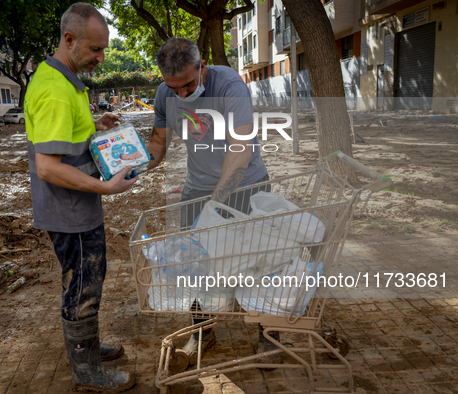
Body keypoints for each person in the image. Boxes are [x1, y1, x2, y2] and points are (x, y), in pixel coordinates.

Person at [145, 38, 280, 367]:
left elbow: (240, 149)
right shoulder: (166, 94)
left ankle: (270, 335)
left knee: (258, 263)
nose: (180, 93)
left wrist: (216, 205)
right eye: (172, 86)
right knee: (195, 264)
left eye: (188, 83)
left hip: (246, 186)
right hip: (198, 190)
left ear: (202, 67)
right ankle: (202, 332)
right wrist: (134, 162)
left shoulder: (230, 85)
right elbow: (159, 143)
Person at [24, 3, 136, 392]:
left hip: (76, 208)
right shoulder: (55, 90)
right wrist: (106, 187)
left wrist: (94, 129)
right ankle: (86, 372)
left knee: (87, 280)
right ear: (69, 40)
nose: (102, 58)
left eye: (104, 49)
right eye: (95, 50)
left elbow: (65, 142)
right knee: (83, 284)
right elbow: (48, 166)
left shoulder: (64, 79)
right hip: (70, 213)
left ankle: (86, 347)